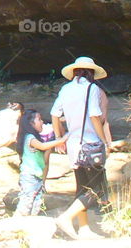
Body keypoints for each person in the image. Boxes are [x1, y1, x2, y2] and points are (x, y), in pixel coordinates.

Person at [50, 56, 111, 240]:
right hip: (91, 144)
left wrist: (59, 138)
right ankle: (66, 218)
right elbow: (94, 115)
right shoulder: (92, 88)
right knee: (97, 190)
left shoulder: (65, 89)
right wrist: (104, 141)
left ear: (75, 71)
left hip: (73, 146)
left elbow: (54, 114)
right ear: (91, 72)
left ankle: (84, 229)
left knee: (82, 188)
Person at [14, 109, 68, 216]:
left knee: (35, 204)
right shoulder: (30, 138)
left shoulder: (33, 137)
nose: (42, 122)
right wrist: (62, 139)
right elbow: (43, 146)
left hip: (36, 177)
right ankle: (14, 225)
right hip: (29, 177)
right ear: (31, 123)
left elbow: (44, 154)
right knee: (26, 204)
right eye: (39, 119)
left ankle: (29, 224)